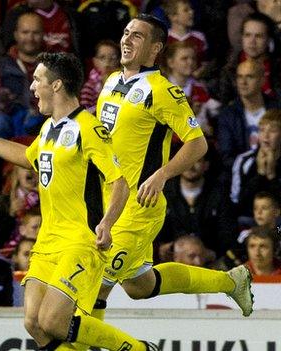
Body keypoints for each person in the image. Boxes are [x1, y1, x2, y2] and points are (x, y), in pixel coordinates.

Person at [0, 52, 155, 351]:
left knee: (52, 322)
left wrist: (108, 224)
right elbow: (26, 157)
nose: (32, 88)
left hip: (79, 242)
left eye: (37, 80)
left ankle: (136, 349)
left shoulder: (90, 129)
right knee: (32, 322)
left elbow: (120, 183)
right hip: (48, 241)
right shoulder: (49, 128)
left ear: (56, 85)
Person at [92, 14, 253, 324]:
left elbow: (198, 144)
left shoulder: (162, 91)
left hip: (139, 206)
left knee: (95, 284)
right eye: (126, 32)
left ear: (155, 49)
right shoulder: (111, 81)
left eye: (137, 36)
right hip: (107, 201)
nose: (127, 39)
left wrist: (162, 173)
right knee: (140, 285)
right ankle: (230, 281)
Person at [0, 12, 44, 139]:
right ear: (16, 34)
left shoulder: (54, 63)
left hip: (43, 118)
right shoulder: (2, 66)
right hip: (10, 120)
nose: (30, 38)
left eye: (35, 33)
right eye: (25, 32)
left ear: (43, 35)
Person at [230, 109, 281, 217]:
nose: (266, 136)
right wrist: (260, 173)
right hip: (250, 221)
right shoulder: (244, 160)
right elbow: (237, 202)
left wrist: (272, 175)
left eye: (272, 131)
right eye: (262, 130)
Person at [80, 40, 120, 115]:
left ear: (118, 61)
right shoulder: (89, 87)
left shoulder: (123, 83)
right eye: (102, 57)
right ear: (95, 61)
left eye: (113, 58)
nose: (107, 63)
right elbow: (85, 113)